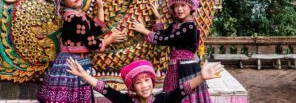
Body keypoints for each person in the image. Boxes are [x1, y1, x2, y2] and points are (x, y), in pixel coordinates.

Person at [38, 0, 126, 103]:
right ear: (62, 0)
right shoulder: (74, 18)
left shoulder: (77, 15)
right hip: (73, 62)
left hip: (74, 61)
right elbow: (92, 43)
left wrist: (100, 8)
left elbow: (95, 28)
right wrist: (110, 39)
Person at [131, 0, 211, 102]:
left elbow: (166, 39)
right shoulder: (176, 24)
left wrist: (144, 30)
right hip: (175, 66)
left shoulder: (190, 26)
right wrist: (158, 18)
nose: (179, 9)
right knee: (171, 97)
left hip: (187, 68)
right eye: (176, 6)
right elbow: (162, 35)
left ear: (191, 7)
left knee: (184, 97)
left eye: (183, 5)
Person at [67, 58, 223, 103]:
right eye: (138, 82)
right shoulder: (125, 100)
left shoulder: (163, 99)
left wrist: (201, 77)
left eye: (147, 80)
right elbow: (104, 89)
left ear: (152, 82)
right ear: (132, 87)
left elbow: (183, 89)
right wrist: (84, 75)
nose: (144, 86)